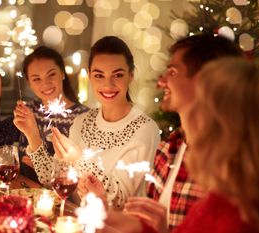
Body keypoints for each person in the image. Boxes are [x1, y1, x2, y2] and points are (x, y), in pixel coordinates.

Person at [103, 58, 259, 233]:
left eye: (198, 108)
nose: (189, 119)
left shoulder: (235, 217)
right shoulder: (223, 198)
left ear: (226, 127)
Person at [123, 34, 245, 231]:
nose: (160, 82)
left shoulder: (235, 169)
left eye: (172, 72)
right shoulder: (165, 151)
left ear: (204, 81)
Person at [28, 36, 160, 208]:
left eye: (118, 75)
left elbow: (119, 200)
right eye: (99, 75)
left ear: (131, 75)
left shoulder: (145, 129)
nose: (108, 84)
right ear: (90, 75)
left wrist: (79, 160)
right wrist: (31, 134)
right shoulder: (83, 121)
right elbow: (51, 179)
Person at [0, 46, 89, 182]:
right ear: (29, 83)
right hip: (25, 191)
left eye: (51, 74)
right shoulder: (28, 110)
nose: (45, 83)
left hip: (62, 197)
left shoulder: (84, 117)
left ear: (62, 74)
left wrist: (43, 165)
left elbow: (85, 170)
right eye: (36, 79)